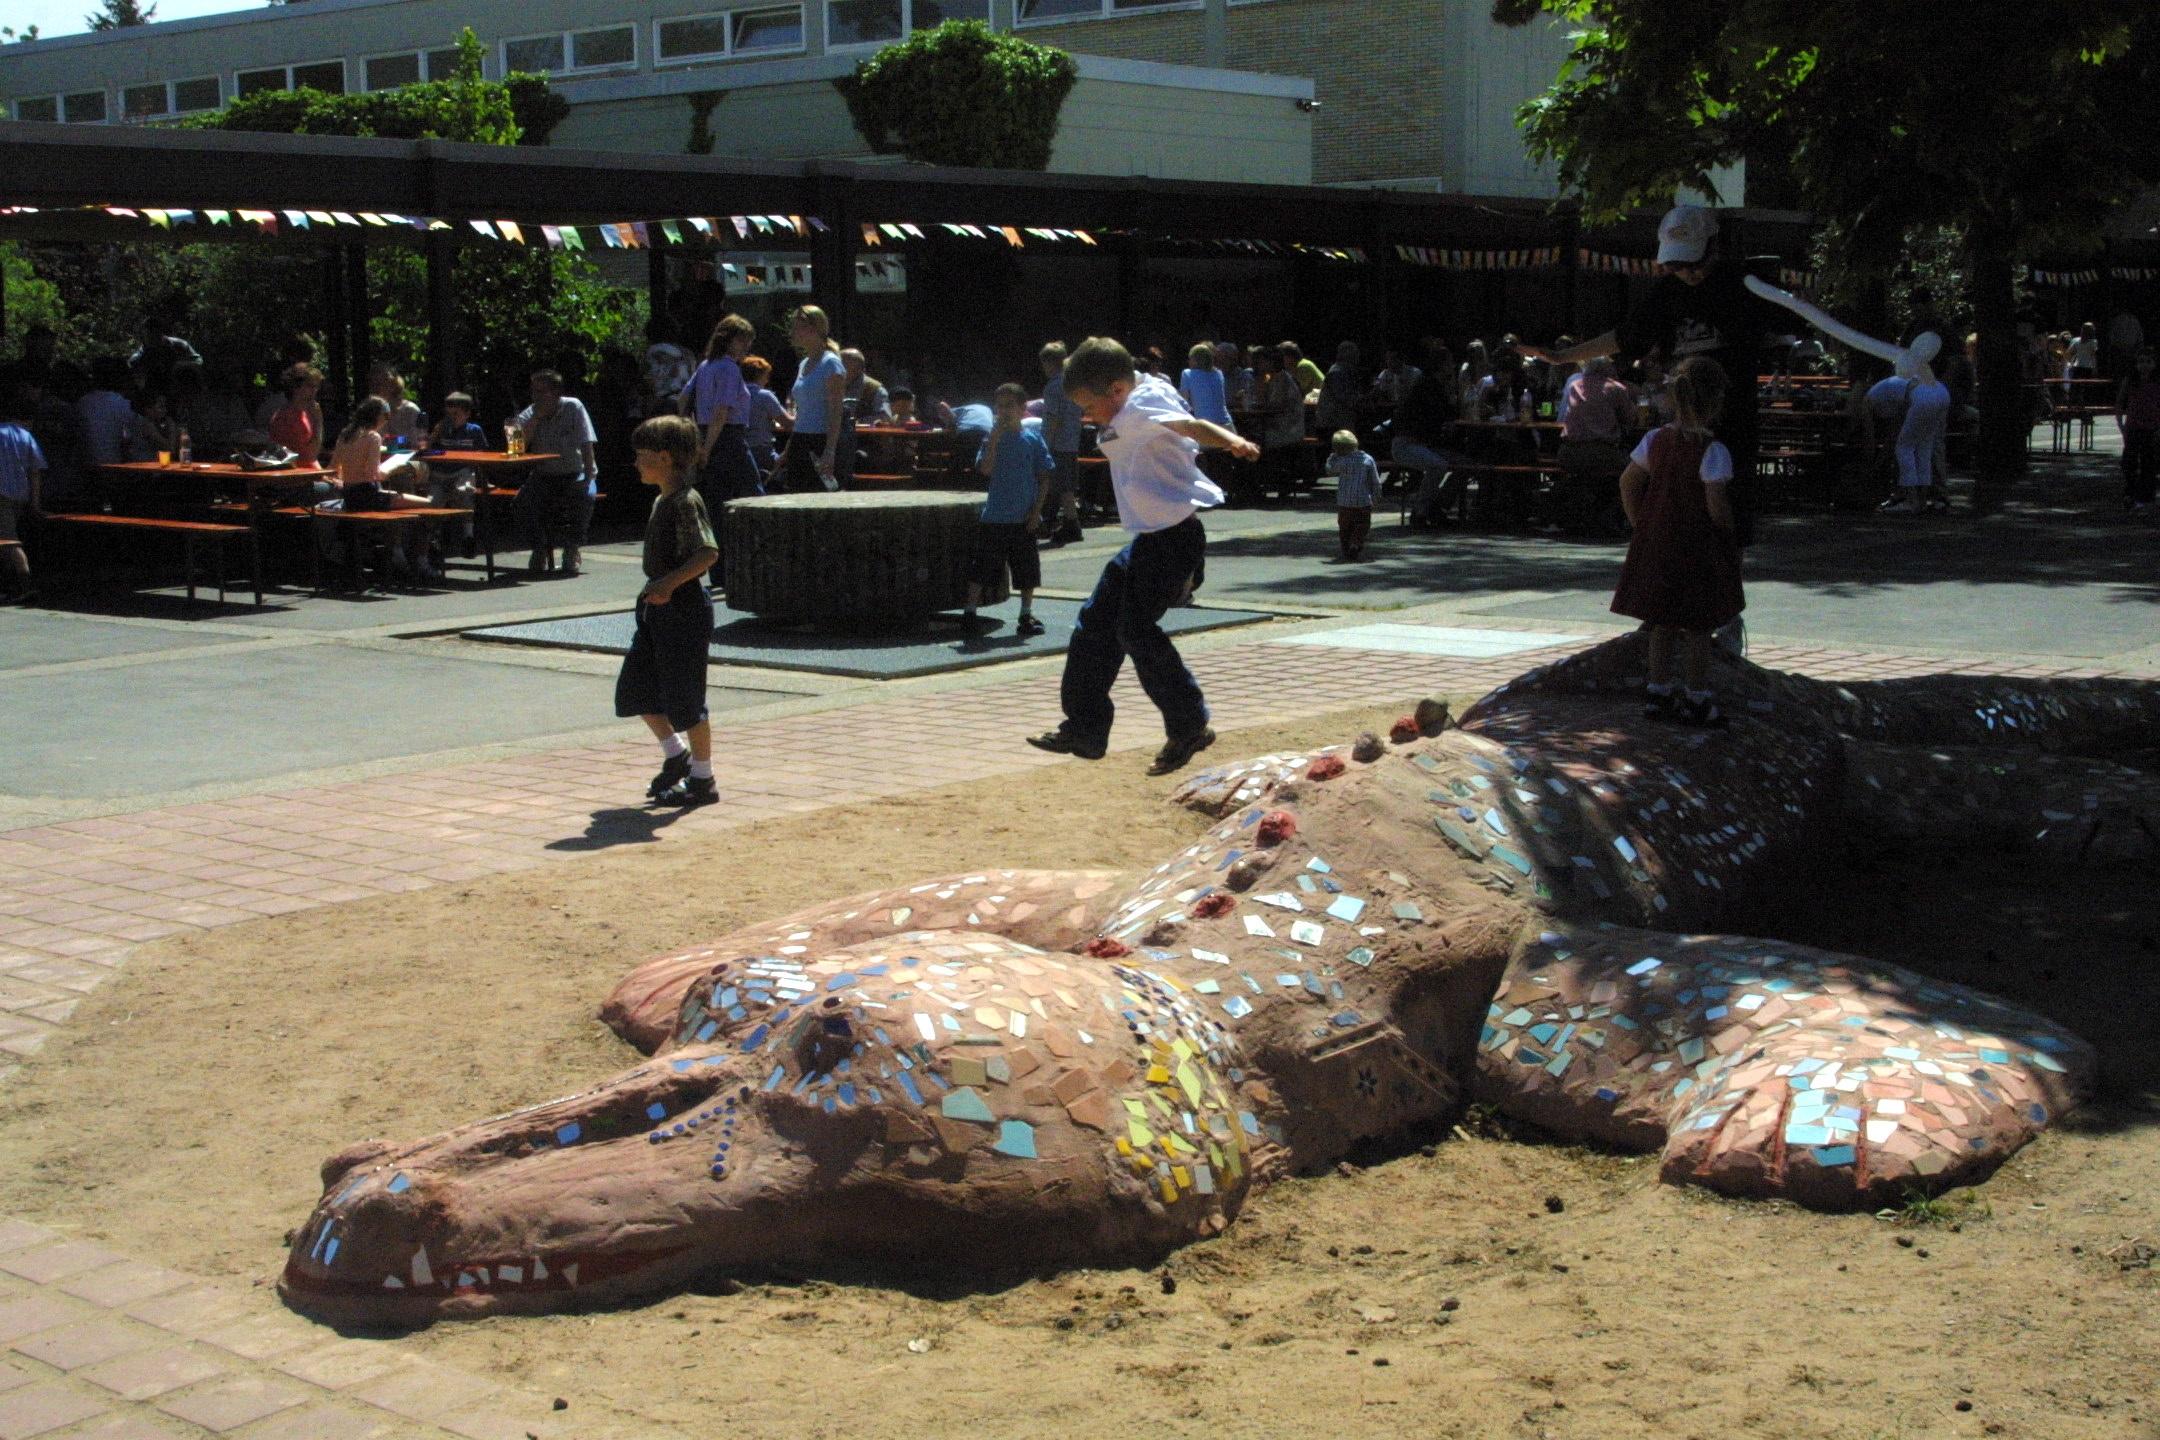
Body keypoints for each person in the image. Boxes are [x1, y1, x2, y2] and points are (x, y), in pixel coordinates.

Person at [1026, 337, 1257, 775]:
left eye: (1089, 406)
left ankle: (1189, 725)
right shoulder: (1137, 391)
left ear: (1116, 390)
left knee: (1134, 629)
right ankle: (1086, 728)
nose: (1086, 416)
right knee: (1096, 622)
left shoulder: (1143, 404)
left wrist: (1231, 439)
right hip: (1149, 540)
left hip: (1175, 540)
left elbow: (1191, 426)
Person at [1526, 205, 1784, 546]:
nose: (1688, 272)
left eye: (1695, 262)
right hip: (1686, 420)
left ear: (1715, 248)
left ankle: (1722, 578)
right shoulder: (1667, 294)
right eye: (1677, 264)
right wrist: (1563, 356)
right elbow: (1625, 337)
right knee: (1680, 507)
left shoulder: (1741, 286)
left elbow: (1783, 320)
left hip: (1732, 419)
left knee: (1726, 513)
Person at [1610, 357, 1744, 729]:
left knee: (1662, 621)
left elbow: (1627, 482)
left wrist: (1641, 523)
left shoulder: (1654, 440)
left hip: (1657, 543)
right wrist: (1729, 535)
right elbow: (1716, 505)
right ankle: (1697, 697)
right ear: (1715, 402)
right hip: (1696, 548)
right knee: (1699, 627)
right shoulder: (1713, 451)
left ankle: (1658, 691)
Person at [615, 414, 721, 810]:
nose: (636, 463)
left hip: (684, 610)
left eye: (642, 456)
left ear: (664, 457)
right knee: (636, 690)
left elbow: (707, 553)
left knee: (685, 698)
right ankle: (675, 753)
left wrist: (668, 584)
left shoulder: (684, 501)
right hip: (657, 610)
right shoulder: (663, 499)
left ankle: (703, 777)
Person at [966, 382, 1054, 637]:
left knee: (1027, 570)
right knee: (982, 566)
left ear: (1022, 408)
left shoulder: (1032, 438)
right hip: (995, 516)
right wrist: (993, 439)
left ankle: (1025, 614)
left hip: (1022, 518)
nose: (1003, 411)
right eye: (1000, 406)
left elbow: (1044, 476)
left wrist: (1036, 511)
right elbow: (985, 469)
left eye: (1009, 406)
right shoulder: (990, 438)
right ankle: (970, 612)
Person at [330, 395, 439, 580]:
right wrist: (396, 467)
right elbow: (375, 474)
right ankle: (417, 556)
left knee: (401, 503)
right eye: (386, 417)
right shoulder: (373, 437)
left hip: (351, 495)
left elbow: (333, 467)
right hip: (369, 495)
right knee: (428, 504)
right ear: (377, 416)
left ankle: (400, 553)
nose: (386, 421)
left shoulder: (345, 435)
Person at [511, 369, 600, 577]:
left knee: (585, 496)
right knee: (521, 503)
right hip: (544, 474)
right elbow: (516, 448)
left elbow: (587, 444)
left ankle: (572, 548)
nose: (537, 396)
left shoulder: (573, 407)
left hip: (574, 471)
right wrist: (535, 419)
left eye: (542, 391)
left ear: (556, 392)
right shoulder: (529, 413)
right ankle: (539, 547)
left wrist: (589, 476)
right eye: (534, 391)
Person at [1393, 351, 1464, 526]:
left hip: (1427, 444)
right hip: (1407, 443)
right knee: (1438, 465)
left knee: (1465, 465)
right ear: (1440, 366)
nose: (1452, 367)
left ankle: (1438, 505)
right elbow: (1433, 419)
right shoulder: (1425, 387)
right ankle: (1420, 511)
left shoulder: (1440, 387)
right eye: (1449, 363)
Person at [780, 306, 846, 493]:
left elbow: (835, 410)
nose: (792, 332)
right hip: (800, 441)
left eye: (797, 327)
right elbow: (802, 412)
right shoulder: (803, 364)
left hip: (821, 441)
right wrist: (788, 448)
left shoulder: (831, 363)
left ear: (813, 329)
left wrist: (830, 451)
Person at [0, 388, 47, 604]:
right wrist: (35, 503)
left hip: (2, 494)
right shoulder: (26, 436)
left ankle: (25, 583)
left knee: (9, 540)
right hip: (21, 494)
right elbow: (36, 471)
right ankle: (11, 584)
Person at [1038, 341, 1085, 545]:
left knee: (1060, 486)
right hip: (1072, 440)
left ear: (1049, 363)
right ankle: (1067, 522)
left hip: (1058, 442)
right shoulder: (1070, 383)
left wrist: (1045, 443)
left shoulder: (1053, 387)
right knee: (1065, 486)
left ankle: (1070, 524)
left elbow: (1053, 418)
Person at [1252, 346, 1305, 502]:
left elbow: (1276, 405)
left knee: (1255, 440)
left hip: (1288, 428)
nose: (1257, 365)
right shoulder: (1273, 378)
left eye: (1260, 362)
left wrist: (1259, 402)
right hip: (1279, 424)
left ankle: (1260, 483)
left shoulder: (1281, 379)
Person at [2114, 346, 2160, 518]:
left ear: (2154, 364)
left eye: (2148, 362)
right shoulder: (2130, 380)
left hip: (2151, 428)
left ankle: (2145, 498)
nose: (2144, 365)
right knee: (2129, 463)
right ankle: (2130, 493)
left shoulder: (2156, 382)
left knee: (2149, 463)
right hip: (2133, 426)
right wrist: (2120, 424)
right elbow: (2120, 402)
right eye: (2141, 361)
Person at [1326, 428, 1380, 561]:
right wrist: (1376, 496)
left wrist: (1331, 459)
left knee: (1344, 527)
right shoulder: (1367, 459)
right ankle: (1355, 543)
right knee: (1363, 525)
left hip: (1344, 501)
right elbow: (1375, 480)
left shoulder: (1341, 461)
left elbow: (1329, 471)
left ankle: (1346, 549)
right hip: (1363, 501)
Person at [740, 355, 790, 478]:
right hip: (762, 452)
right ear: (759, 375)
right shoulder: (764, 396)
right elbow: (789, 424)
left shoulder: (736, 394)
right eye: (766, 376)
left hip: (741, 449)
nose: (767, 381)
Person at [266, 363, 325, 462]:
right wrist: (318, 422)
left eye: (316, 386)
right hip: (297, 473)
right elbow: (310, 456)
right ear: (296, 387)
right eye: (310, 386)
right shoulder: (288, 417)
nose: (315, 390)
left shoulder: (304, 414)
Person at [1315, 342, 1363, 437]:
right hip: (1332, 424)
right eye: (1355, 355)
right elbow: (1346, 399)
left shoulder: (1341, 371)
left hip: (1335, 422)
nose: (1357, 358)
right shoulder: (1337, 373)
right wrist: (1363, 399)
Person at [1178, 342, 1230, 426]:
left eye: (1190, 358)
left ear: (1195, 360)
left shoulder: (1187, 374)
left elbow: (1184, 403)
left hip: (1207, 426)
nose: (1188, 361)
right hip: (1226, 423)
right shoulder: (1219, 373)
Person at [839, 348, 890, 424]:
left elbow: (885, 417)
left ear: (858, 369)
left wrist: (857, 422)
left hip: (862, 434)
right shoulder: (829, 384)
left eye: (842, 365)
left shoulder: (874, 389)